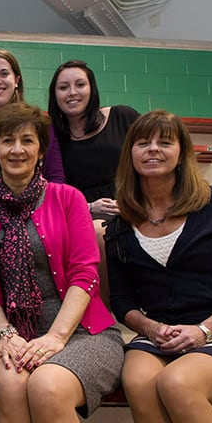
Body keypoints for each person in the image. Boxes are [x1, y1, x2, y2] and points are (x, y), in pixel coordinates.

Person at [0, 102, 123, 423]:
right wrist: (4, 333)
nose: (17, 149)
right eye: (7, 140)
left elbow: (85, 273)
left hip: (82, 332)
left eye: (27, 140)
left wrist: (56, 336)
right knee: (7, 383)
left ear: (41, 150)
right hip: (17, 334)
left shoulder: (68, 197)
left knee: (46, 386)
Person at [105, 109, 212, 423]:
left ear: (182, 152)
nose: (153, 149)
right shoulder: (120, 225)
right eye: (143, 142)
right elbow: (122, 302)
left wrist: (204, 330)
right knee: (137, 381)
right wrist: (149, 328)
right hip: (160, 335)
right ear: (130, 154)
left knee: (178, 383)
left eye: (165, 142)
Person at [48, 59, 139, 306]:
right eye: (63, 87)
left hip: (132, 202)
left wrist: (132, 202)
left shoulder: (122, 116)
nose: (72, 92)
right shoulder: (53, 135)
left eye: (80, 84)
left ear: (92, 88)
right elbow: (54, 185)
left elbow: (147, 157)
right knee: (97, 231)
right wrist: (89, 207)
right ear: (54, 94)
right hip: (83, 211)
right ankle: (108, 311)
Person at [0, 49, 64, 197]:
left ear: (16, 80)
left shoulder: (40, 125)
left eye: (4, 74)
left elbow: (55, 177)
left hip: (36, 209)